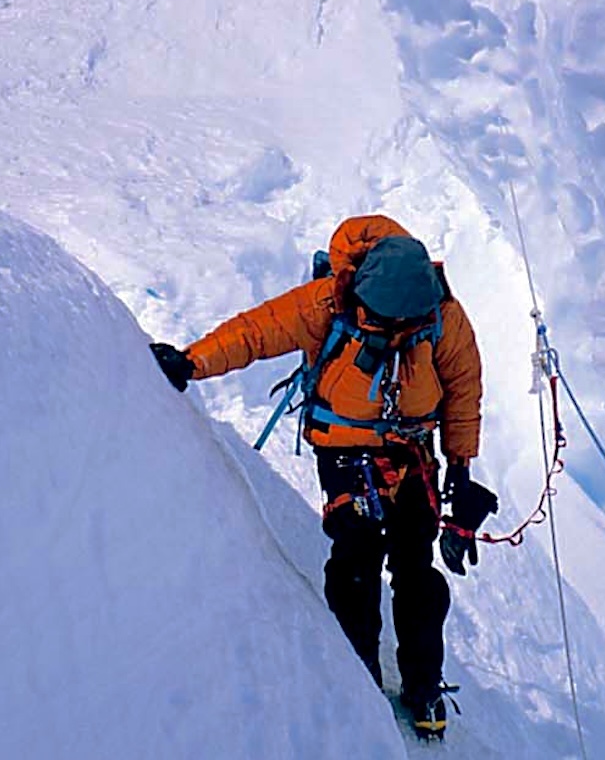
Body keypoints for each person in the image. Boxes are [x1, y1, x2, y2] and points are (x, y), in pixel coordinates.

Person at [149, 215, 492, 741]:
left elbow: (463, 392)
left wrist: (461, 470)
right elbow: (258, 331)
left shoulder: (443, 315)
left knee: (415, 568)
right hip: (346, 450)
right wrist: (191, 363)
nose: (398, 333)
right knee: (356, 556)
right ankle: (357, 671)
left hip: (412, 455)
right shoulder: (328, 302)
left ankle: (423, 682)